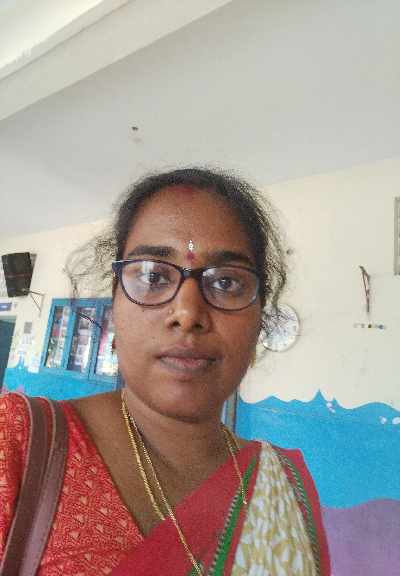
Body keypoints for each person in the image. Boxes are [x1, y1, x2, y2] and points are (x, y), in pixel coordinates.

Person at [0, 168, 330, 575]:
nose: (188, 313)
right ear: (115, 306)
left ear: (260, 318)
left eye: (227, 282)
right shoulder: (16, 442)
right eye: (153, 276)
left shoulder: (285, 488)